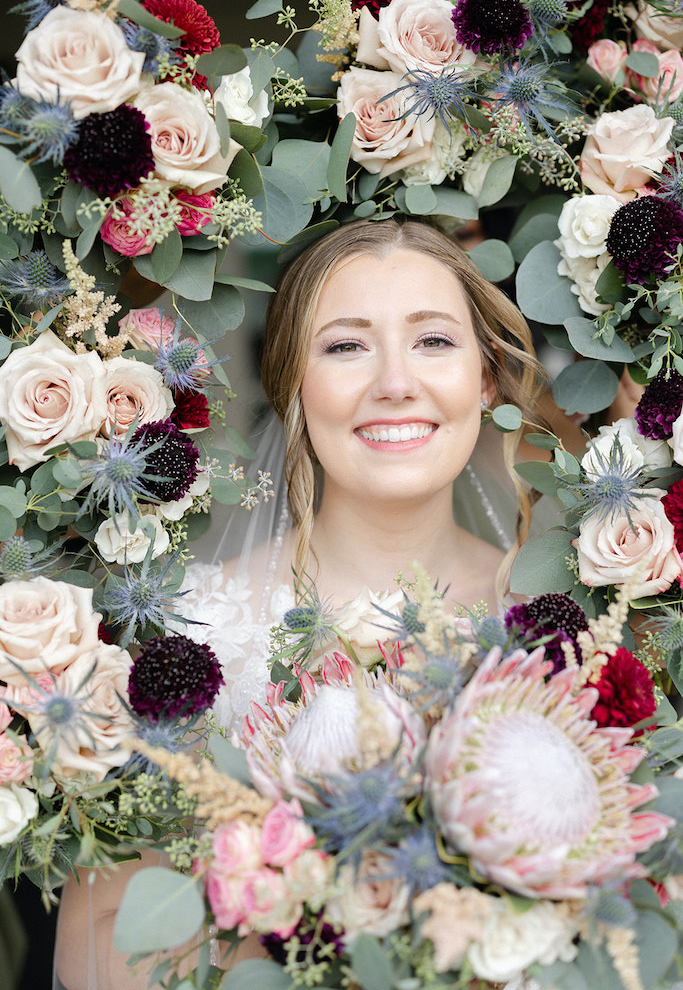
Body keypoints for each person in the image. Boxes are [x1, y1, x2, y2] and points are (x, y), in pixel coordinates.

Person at [53, 217, 546, 990]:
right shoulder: (193, 631)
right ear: (293, 381)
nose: (394, 382)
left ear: (485, 378)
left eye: (434, 341)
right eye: (345, 345)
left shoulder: (557, 625)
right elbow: (95, 941)